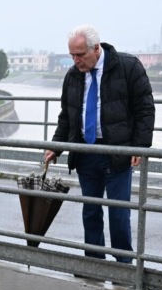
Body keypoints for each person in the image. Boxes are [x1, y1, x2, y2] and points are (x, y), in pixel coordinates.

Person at [44, 25, 155, 263]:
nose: (76, 61)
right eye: (72, 55)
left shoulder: (128, 67)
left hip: (117, 153)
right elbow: (67, 116)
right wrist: (56, 146)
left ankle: (124, 267)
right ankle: (95, 264)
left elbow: (145, 109)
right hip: (86, 153)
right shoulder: (73, 75)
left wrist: (141, 146)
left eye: (80, 55)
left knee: (118, 213)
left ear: (96, 48)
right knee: (91, 210)